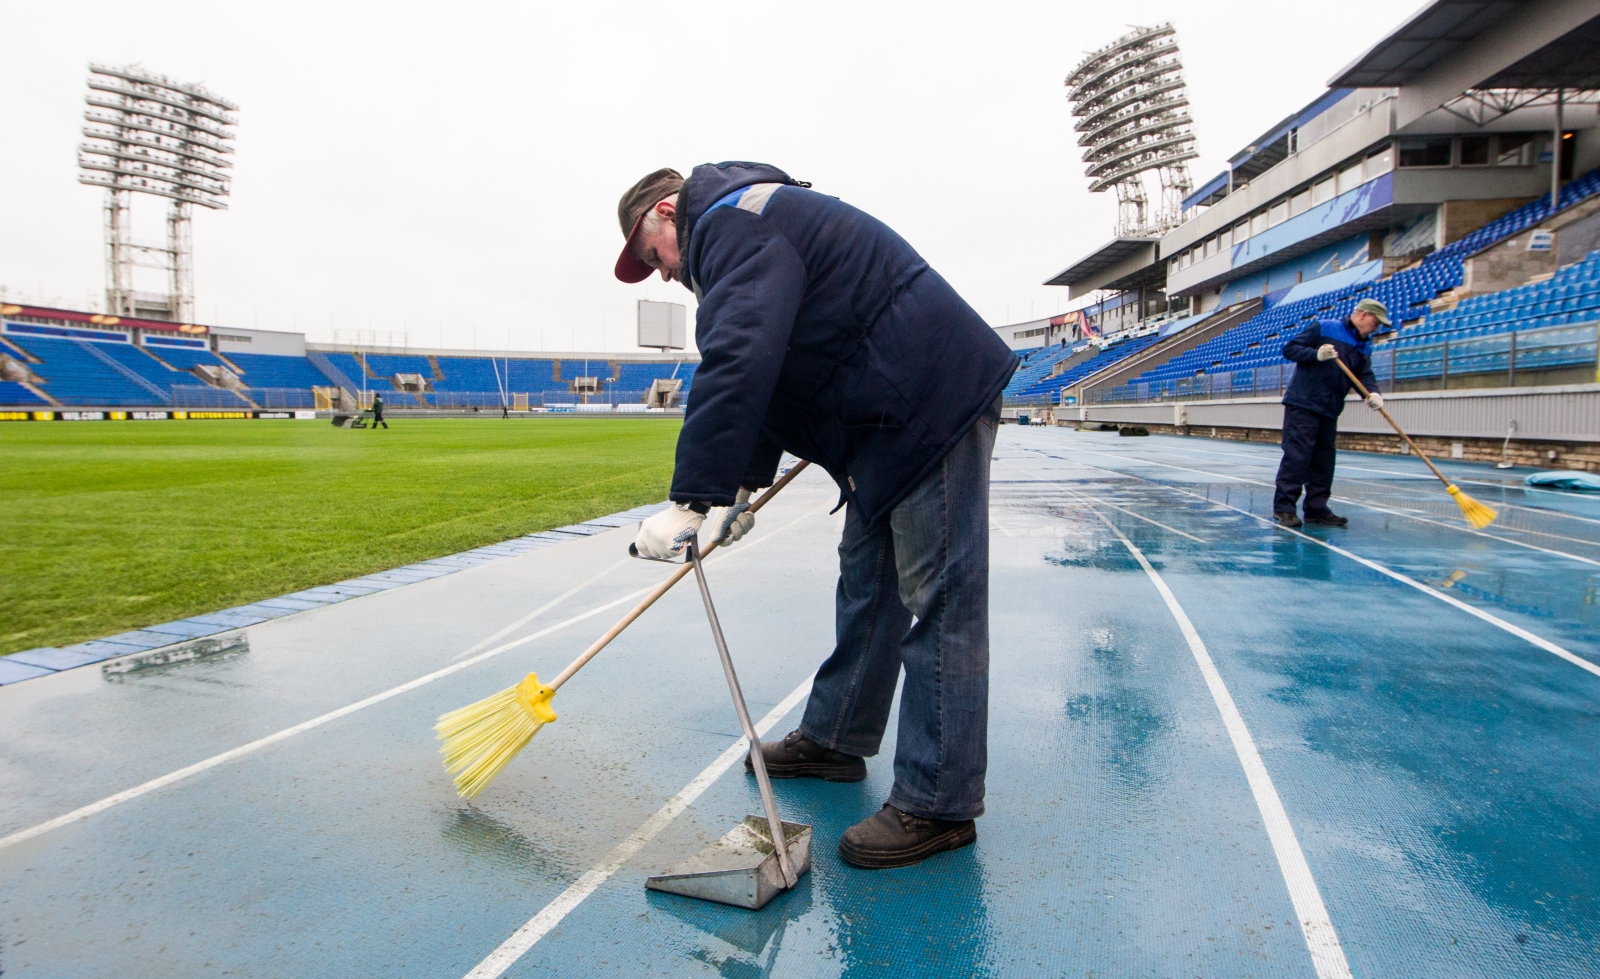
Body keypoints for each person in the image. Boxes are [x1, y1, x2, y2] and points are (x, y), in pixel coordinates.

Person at [617, 163, 1018, 869]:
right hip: (881, 421)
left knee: (940, 600)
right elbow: (773, 369)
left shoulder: (730, 223)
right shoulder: (746, 224)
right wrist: (739, 487)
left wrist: (691, 498)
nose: (661, 273)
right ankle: (837, 737)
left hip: (927, 399)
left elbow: (740, 349)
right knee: (867, 583)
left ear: (669, 211)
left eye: (653, 253)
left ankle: (938, 801)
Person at [1273, 297, 1388, 528]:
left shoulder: (1364, 344)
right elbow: (1290, 349)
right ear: (1363, 315)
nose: (1377, 328)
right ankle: (1284, 508)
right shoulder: (1324, 327)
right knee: (1298, 456)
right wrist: (1316, 354)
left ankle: (1317, 509)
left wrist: (1372, 393)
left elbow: (1363, 374)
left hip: (1330, 408)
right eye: (1376, 322)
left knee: (1324, 460)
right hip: (1304, 403)